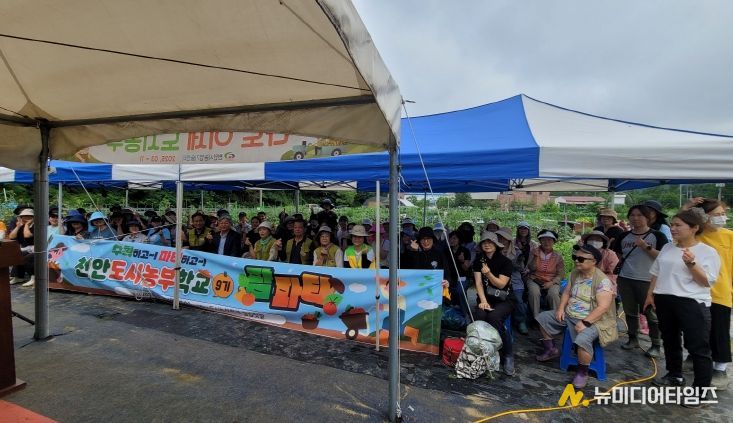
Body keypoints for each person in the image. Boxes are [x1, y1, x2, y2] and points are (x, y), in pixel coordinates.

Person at [645, 208, 721, 397]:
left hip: (692, 303)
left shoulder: (707, 252)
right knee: (670, 340)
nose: (673, 228)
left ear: (694, 228)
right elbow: (656, 272)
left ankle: (701, 391)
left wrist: (691, 264)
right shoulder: (668, 247)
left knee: (698, 347)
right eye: (672, 225)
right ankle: (674, 375)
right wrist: (650, 294)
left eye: (678, 225)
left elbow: (707, 282)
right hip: (664, 300)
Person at [536, 244, 617, 389]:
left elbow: (603, 307)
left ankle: (582, 372)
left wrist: (585, 322)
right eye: (575, 257)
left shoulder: (602, 281)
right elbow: (567, 292)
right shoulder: (575, 273)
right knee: (543, 318)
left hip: (594, 320)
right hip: (570, 313)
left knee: (583, 339)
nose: (576, 261)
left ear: (594, 261)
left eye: (581, 259)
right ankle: (551, 349)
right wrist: (561, 308)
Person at [683, 198, 732, 389]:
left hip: (721, 291)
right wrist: (686, 208)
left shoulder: (729, 236)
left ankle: (720, 369)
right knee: (695, 329)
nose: (722, 218)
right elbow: (677, 229)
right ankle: (694, 356)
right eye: (716, 215)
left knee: (719, 331)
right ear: (703, 218)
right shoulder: (694, 236)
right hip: (694, 291)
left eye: (723, 214)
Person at [612, 204, 668, 357]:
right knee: (630, 312)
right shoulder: (623, 236)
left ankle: (655, 344)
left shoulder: (657, 236)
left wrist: (646, 247)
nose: (635, 218)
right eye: (632, 215)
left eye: (640, 215)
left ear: (648, 218)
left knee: (651, 314)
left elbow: (664, 257)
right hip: (625, 278)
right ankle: (633, 339)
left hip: (648, 280)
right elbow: (619, 254)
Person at [473, 231, 516, 375]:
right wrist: (483, 301)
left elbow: (501, 284)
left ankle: (508, 354)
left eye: (490, 242)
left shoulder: (506, 262)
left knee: (494, 317)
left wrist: (488, 273)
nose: (487, 244)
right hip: (486, 298)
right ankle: (483, 352)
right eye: (484, 242)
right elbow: (478, 283)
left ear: (496, 245)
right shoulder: (478, 261)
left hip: (505, 299)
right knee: (480, 315)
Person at [527, 229, 566, 322]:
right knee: (534, 292)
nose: (546, 242)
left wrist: (552, 282)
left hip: (552, 280)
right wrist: (535, 257)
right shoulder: (534, 251)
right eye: (543, 240)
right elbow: (530, 268)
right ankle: (536, 319)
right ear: (540, 241)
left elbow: (561, 273)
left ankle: (556, 319)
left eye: (549, 240)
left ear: (553, 242)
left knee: (553, 294)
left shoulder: (557, 255)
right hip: (535, 278)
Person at [496, 228, 529, 335]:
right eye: (499, 237)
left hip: (514, 280)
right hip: (498, 280)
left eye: (503, 237)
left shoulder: (517, 252)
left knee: (518, 300)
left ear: (508, 239)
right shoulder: (494, 249)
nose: (501, 239)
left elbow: (521, 268)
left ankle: (521, 321)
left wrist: (511, 263)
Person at [447, 230, 472, 314]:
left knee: (460, 291)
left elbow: (466, 268)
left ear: (459, 240)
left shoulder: (465, 251)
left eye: (454, 238)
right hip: (450, 278)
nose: (452, 240)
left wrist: (462, 261)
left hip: (462, 277)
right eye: (450, 238)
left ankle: (465, 313)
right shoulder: (446, 251)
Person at [8, 208, 35, 286]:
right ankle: (18, 276)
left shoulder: (35, 226)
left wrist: (26, 225)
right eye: (24, 216)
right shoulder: (20, 226)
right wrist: (18, 227)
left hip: (36, 248)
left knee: (27, 257)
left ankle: (34, 277)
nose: (26, 218)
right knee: (16, 254)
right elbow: (11, 237)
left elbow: (27, 236)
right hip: (25, 248)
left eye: (29, 216)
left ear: (33, 217)